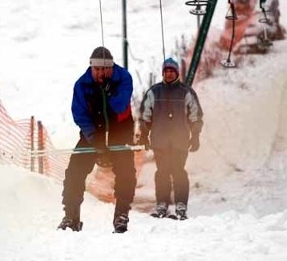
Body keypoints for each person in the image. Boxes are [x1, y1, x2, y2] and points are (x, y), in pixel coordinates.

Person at [58, 46, 137, 233]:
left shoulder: (124, 78)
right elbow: (79, 114)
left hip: (120, 131)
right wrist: (94, 138)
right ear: (91, 67)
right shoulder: (81, 85)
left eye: (105, 69)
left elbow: (120, 106)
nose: (101, 73)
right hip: (93, 131)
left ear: (112, 67)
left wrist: (109, 92)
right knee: (74, 171)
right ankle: (71, 215)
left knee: (126, 172)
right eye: (97, 69)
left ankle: (121, 214)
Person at [138, 58, 203, 220]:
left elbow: (195, 116)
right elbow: (145, 116)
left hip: (180, 141)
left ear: (176, 73)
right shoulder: (154, 92)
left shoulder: (186, 92)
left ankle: (181, 204)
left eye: (171, 71)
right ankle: (162, 203)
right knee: (162, 172)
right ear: (163, 73)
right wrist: (144, 135)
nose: (168, 74)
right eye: (166, 71)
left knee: (178, 171)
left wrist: (195, 136)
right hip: (160, 141)